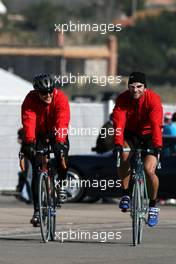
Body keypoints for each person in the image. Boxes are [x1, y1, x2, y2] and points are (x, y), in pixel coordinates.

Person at [112, 72, 163, 227]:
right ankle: (126, 194)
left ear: (145, 88)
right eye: (132, 87)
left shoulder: (153, 99)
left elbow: (156, 124)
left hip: (149, 134)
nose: (135, 90)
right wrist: (118, 144)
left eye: (139, 87)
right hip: (131, 133)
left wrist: (158, 146)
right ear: (128, 87)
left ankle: (153, 206)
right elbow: (119, 123)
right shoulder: (122, 99)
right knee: (124, 156)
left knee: (149, 170)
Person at [21, 73, 70, 226]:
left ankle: (61, 185)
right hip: (38, 134)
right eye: (43, 93)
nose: (48, 95)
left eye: (50, 91)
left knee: (61, 155)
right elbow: (28, 119)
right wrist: (29, 142)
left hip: (56, 132)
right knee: (37, 170)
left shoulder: (60, 98)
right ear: (36, 92)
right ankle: (37, 211)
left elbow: (62, 120)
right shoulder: (30, 99)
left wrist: (60, 142)